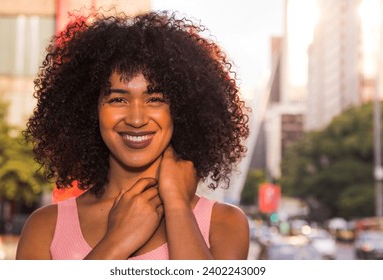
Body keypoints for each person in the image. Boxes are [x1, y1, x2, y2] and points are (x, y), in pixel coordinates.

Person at [16, 10, 250, 260]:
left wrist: (178, 207)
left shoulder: (223, 223)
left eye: (155, 99)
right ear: (89, 109)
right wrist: (117, 241)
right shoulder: (45, 228)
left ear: (181, 110)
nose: (136, 119)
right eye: (117, 99)